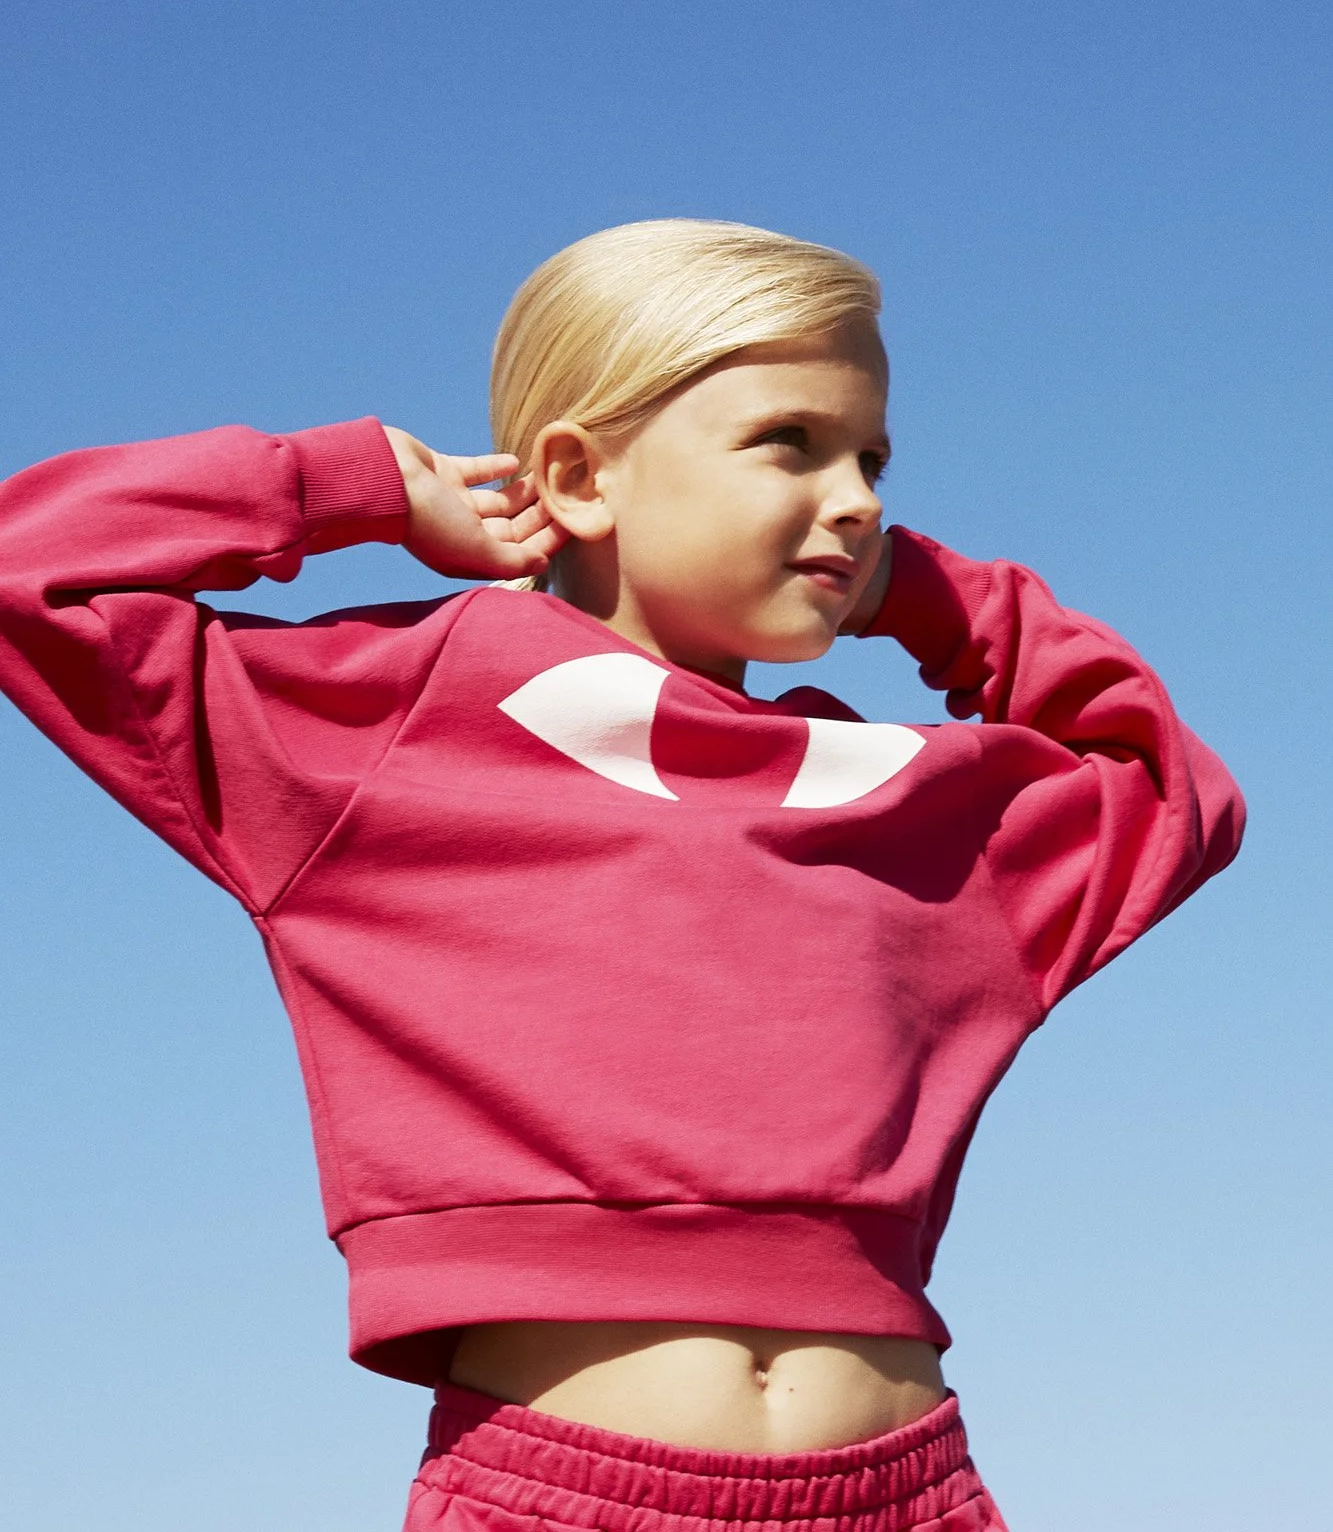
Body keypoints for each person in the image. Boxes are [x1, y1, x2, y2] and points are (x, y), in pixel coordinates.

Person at [0, 219, 1245, 1532]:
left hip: (912, 1491)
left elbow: (1173, 790)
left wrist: (928, 596)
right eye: (792, 442)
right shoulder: (387, 721)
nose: (862, 497)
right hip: (567, 1493)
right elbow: (35, 573)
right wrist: (348, 483)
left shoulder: (916, 797)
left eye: (874, 458)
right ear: (580, 478)